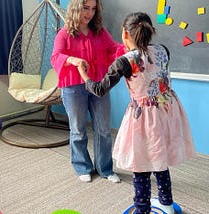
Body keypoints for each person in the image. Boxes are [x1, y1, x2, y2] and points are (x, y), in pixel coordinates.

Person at [77, 12, 196, 213]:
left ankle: (142, 209)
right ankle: (166, 203)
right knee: (160, 157)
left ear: (125, 34)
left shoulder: (124, 62)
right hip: (167, 111)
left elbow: (99, 90)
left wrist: (83, 74)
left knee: (140, 163)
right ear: (150, 32)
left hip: (144, 117)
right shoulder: (163, 50)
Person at [51, 0, 120, 183]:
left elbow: (113, 49)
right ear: (76, 8)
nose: (89, 13)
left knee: (104, 129)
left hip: (99, 85)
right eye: (85, 8)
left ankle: (105, 168)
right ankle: (82, 167)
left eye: (92, 8)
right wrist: (72, 60)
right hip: (73, 87)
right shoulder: (64, 34)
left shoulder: (100, 32)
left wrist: (130, 50)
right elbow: (56, 57)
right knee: (78, 129)